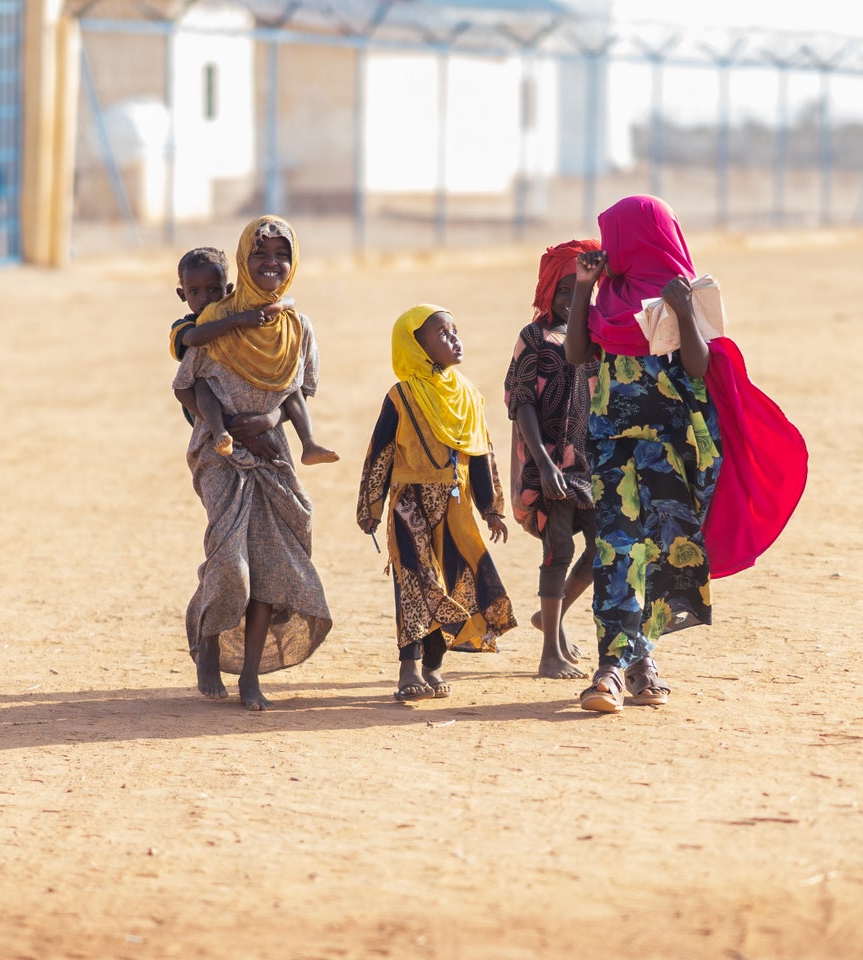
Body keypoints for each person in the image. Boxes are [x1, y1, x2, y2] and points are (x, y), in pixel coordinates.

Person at [565, 195, 807, 714]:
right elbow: (578, 353)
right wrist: (584, 288)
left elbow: (697, 366)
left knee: (658, 554)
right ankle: (609, 667)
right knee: (615, 549)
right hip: (611, 445)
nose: (608, 248)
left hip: (670, 452)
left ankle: (641, 661)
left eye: (615, 238)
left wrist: (679, 309)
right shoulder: (608, 296)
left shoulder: (683, 294)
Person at [172, 217, 334, 711]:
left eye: (281, 255)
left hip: (272, 454)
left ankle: (249, 677)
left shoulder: (297, 326)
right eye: (260, 254)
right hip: (220, 456)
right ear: (244, 260)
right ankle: (206, 642)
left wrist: (265, 419)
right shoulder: (214, 323)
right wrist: (225, 427)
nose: (271, 264)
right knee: (231, 565)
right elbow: (187, 383)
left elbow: (297, 392)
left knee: (269, 571)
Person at [356, 305, 515, 701]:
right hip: (410, 505)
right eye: (442, 334)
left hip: (456, 510)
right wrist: (370, 508)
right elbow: (380, 453)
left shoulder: (469, 396)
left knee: (450, 581)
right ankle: (408, 666)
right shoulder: (402, 397)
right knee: (415, 581)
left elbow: (480, 453)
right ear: (416, 346)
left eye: (455, 331)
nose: (454, 339)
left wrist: (491, 508)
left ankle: (433, 666)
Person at [504, 239, 601, 680]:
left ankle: (552, 617)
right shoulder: (534, 337)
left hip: (586, 464)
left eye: (578, 291)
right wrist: (542, 463)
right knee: (558, 549)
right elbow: (521, 401)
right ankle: (548, 655)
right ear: (546, 290)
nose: (570, 300)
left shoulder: (591, 338)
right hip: (547, 463)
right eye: (563, 291)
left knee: (602, 547)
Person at [170, 246, 338, 465]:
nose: (206, 299)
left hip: (253, 407)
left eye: (213, 290)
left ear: (228, 289)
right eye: (194, 292)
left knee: (290, 384)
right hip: (207, 414)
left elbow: (288, 299)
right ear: (182, 294)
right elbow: (195, 339)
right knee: (202, 384)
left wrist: (278, 306)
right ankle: (222, 431)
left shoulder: (238, 311)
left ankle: (309, 443)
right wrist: (238, 321)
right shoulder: (186, 326)